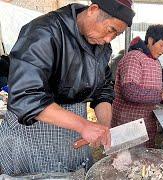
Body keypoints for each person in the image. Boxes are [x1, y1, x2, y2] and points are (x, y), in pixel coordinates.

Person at [0, 0, 135, 175]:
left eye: (116, 35)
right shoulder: (44, 31)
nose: (108, 40)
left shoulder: (101, 45)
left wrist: (103, 127)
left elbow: (103, 89)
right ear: (93, 10)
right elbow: (26, 97)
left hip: (72, 134)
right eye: (110, 30)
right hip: (32, 134)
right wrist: (83, 125)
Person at [112, 25, 163, 148]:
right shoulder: (134, 57)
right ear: (151, 40)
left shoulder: (156, 62)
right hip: (128, 124)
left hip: (146, 122)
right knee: (126, 162)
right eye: (162, 45)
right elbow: (129, 91)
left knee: (144, 164)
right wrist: (160, 95)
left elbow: (155, 89)